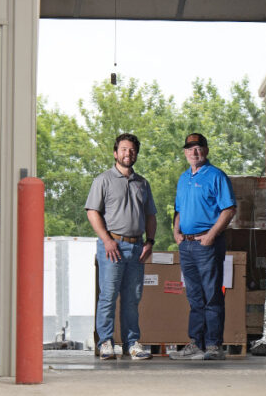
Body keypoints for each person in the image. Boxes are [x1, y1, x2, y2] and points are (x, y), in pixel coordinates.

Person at [85, 132, 157, 361]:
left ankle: (132, 343)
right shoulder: (103, 180)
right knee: (108, 296)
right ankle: (106, 342)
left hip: (136, 248)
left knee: (132, 298)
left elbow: (150, 215)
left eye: (133, 150)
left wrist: (150, 242)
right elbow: (92, 212)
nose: (129, 153)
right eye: (124, 149)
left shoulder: (142, 183)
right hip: (112, 247)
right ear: (116, 153)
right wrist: (107, 240)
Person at [169, 133, 236, 361]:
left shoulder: (216, 176)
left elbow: (228, 209)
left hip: (207, 244)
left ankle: (214, 346)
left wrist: (211, 236)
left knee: (211, 295)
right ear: (185, 152)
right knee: (195, 297)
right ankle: (196, 343)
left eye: (198, 148)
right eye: (190, 148)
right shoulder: (183, 178)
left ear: (205, 150)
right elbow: (179, 210)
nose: (194, 152)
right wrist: (176, 232)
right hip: (186, 246)